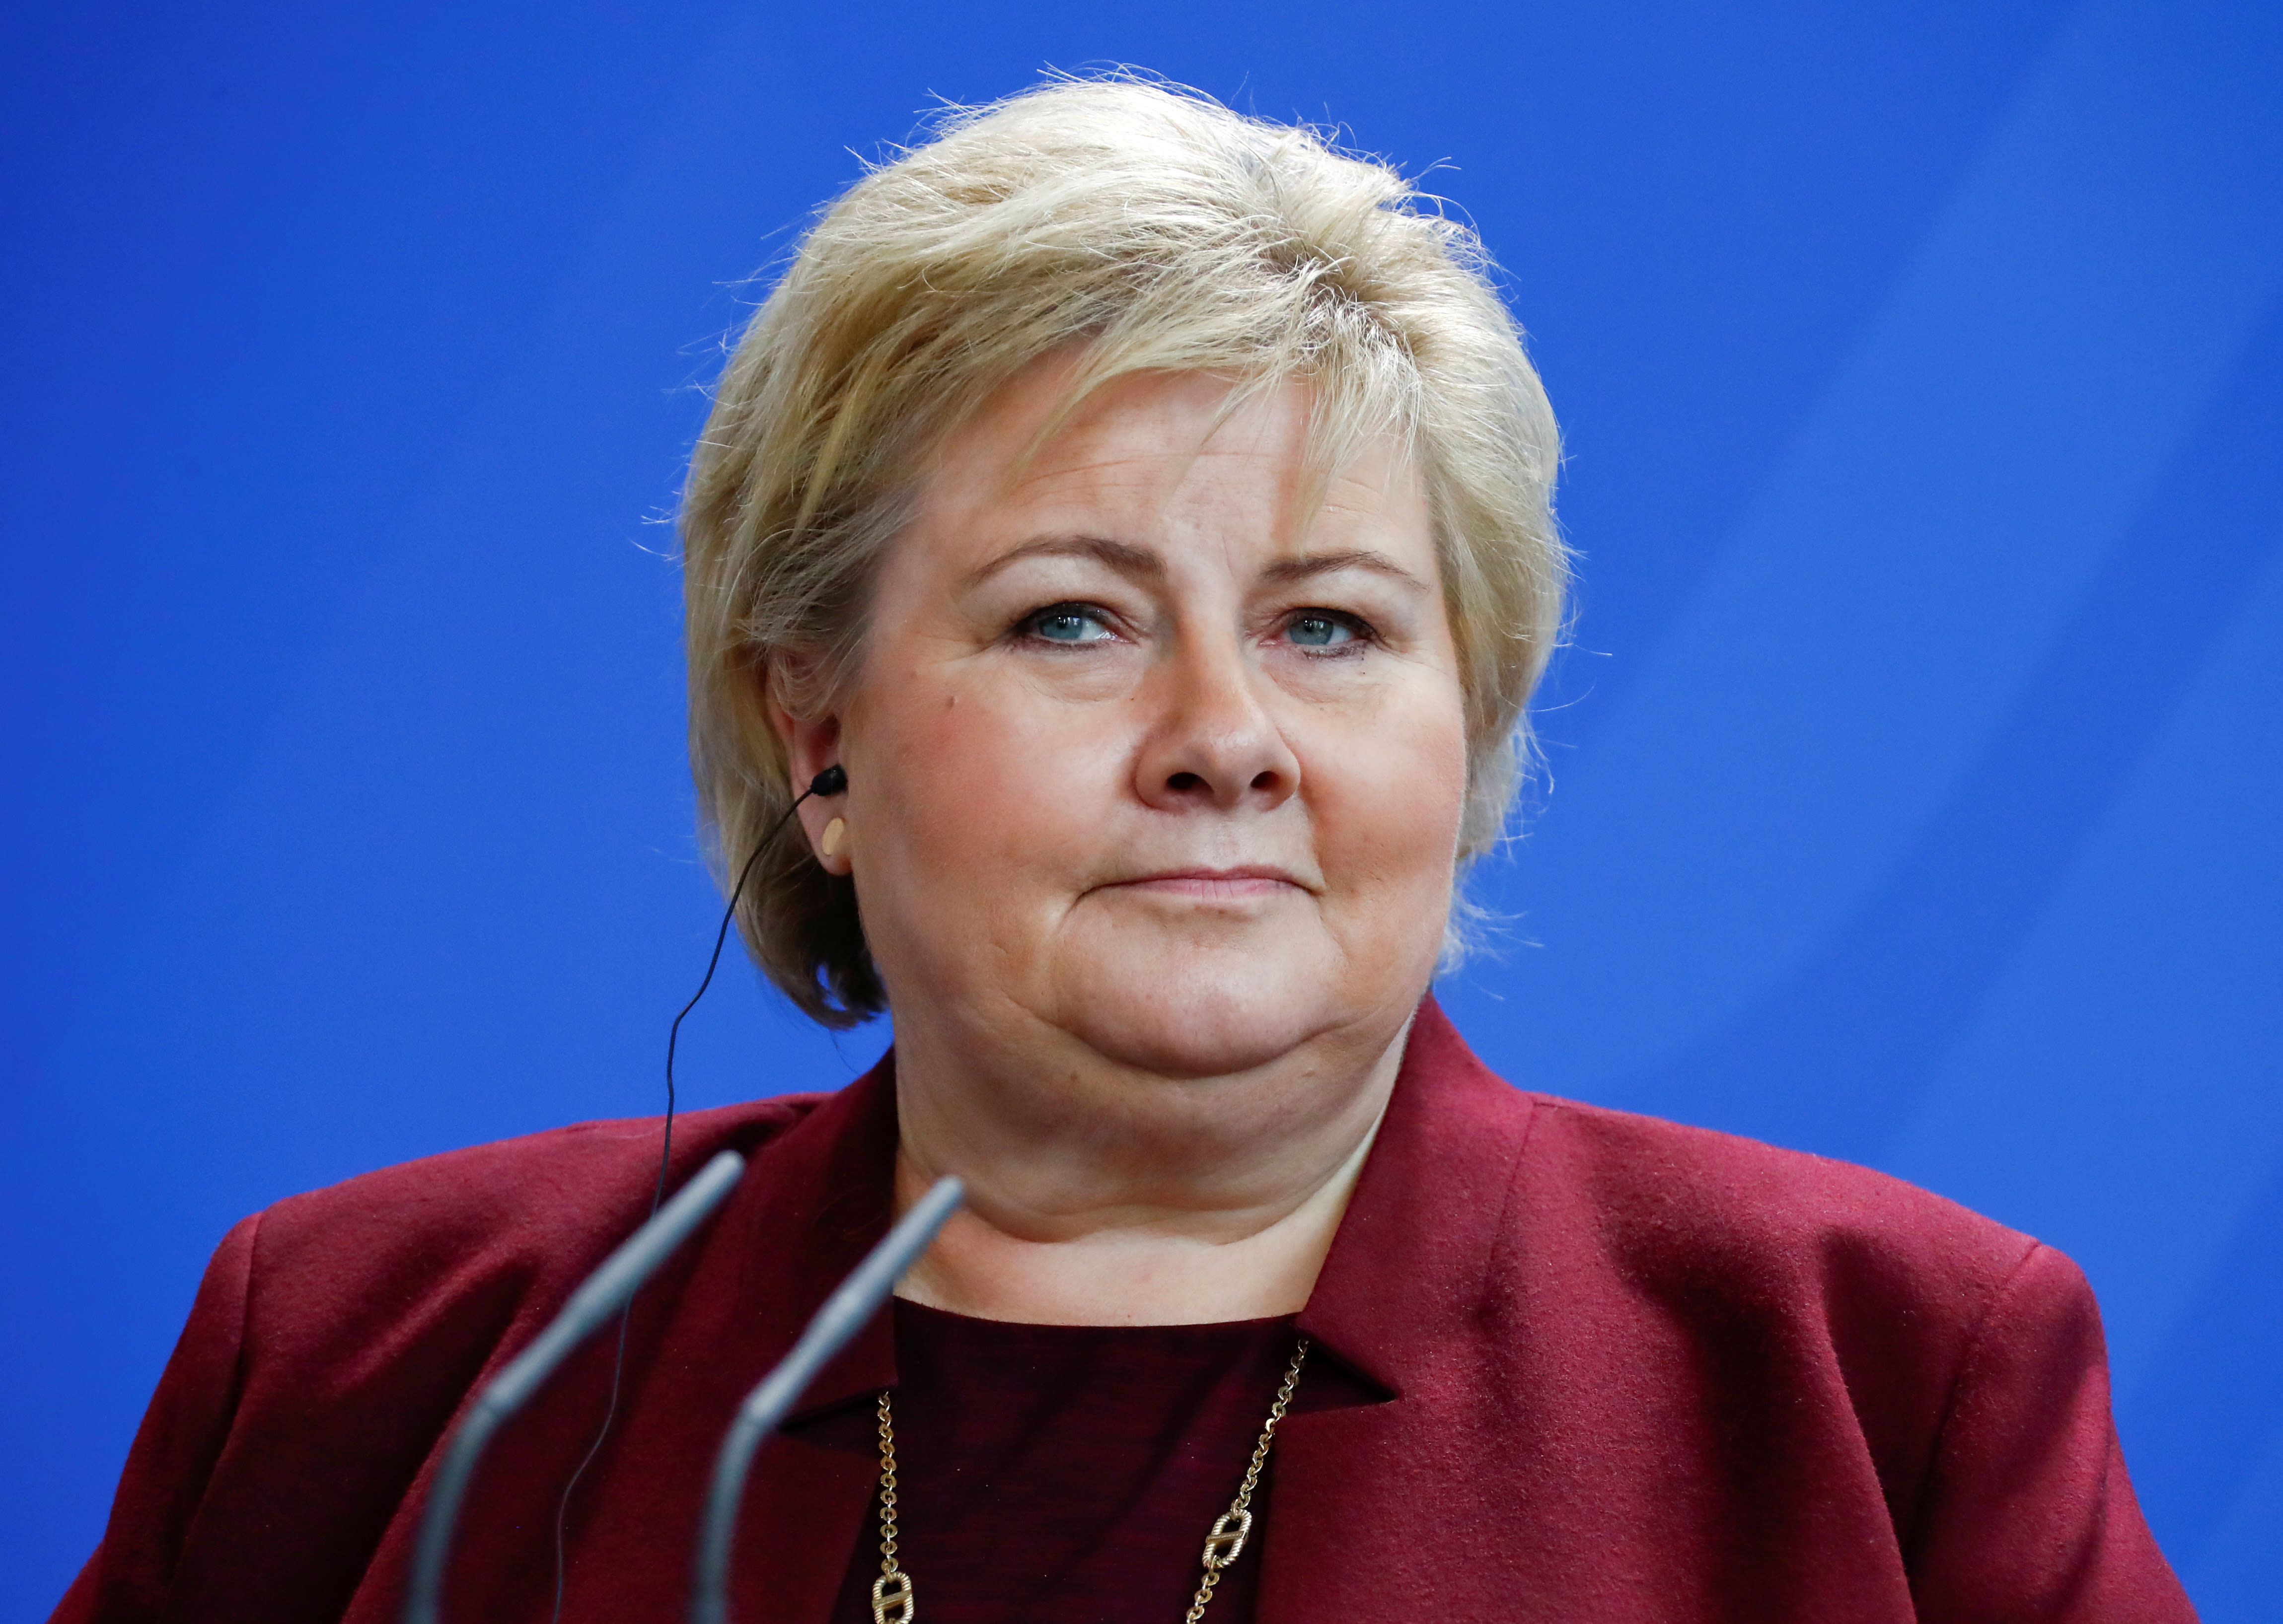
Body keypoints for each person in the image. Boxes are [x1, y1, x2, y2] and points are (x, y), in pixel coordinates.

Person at [56, 78, 2192, 1624]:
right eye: (1071, 618)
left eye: (1329, 626)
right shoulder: (368, 1352)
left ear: (1470, 722)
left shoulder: (1882, 1371)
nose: (1223, 742)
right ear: (818, 730)